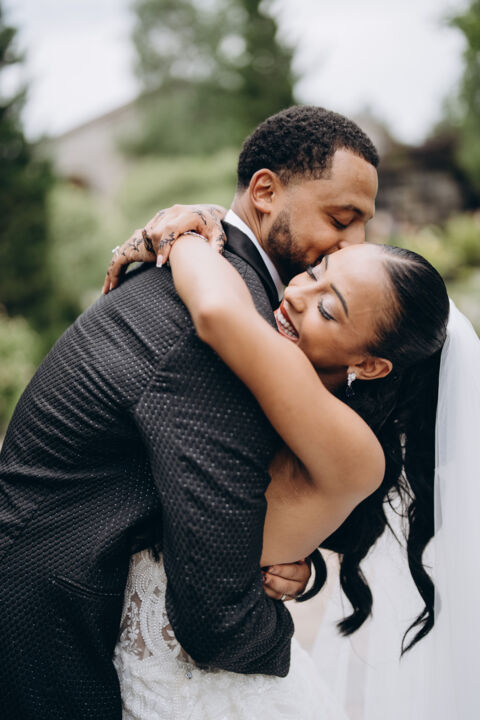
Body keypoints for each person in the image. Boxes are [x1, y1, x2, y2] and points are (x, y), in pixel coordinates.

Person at [0, 105, 381, 719]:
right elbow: (217, 618)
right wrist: (275, 633)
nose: (354, 242)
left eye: (364, 223)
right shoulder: (223, 325)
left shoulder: (228, 282)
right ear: (264, 191)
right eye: (341, 219)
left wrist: (295, 565)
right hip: (47, 623)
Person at [108, 230, 450, 720]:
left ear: (371, 365)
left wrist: (184, 232)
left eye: (327, 310)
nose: (297, 294)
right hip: (131, 646)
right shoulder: (269, 377)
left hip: (196, 684)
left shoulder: (357, 453)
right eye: (313, 272)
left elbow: (218, 311)